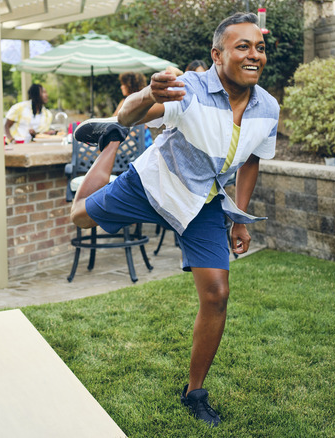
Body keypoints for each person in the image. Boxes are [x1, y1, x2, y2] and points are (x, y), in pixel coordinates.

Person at [70, 12, 278, 427]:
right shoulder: (190, 89)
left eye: (259, 47)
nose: (255, 55)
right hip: (152, 184)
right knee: (79, 218)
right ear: (218, 55)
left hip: (202, 202)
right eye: (243, 47)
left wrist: (240, 218)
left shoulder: (267, 107)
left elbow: (252, 160)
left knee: (217, 293)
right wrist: (148, 92)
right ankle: (107, 148)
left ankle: (194, 392)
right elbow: (129, 116)